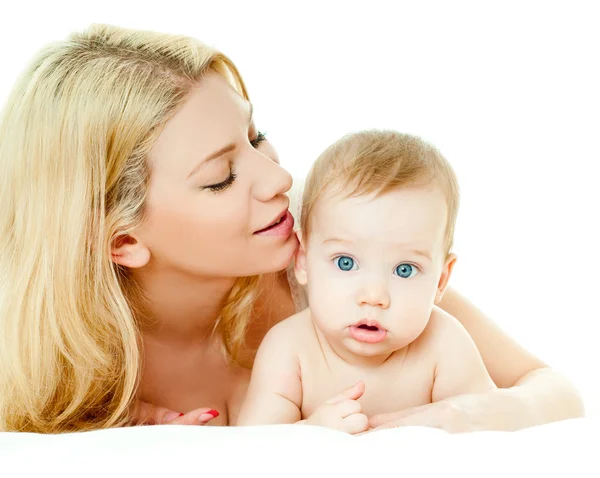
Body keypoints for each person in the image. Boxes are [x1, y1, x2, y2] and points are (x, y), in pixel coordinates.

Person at [0, 23, 584, 434]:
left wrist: (481, 415)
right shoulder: (53, 355)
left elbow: (553, 390)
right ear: (123, 241)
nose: (279, 176)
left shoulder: (343, 262)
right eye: (222, 176)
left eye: (255, 137)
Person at [236, 130, 497, 433]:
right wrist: (311, 431)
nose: (373, 296)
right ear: (303, 261)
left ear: (441, 280)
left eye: (404, 270)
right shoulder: (290, 349)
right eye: (345, 263)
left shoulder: (445, 346)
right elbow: (254, 446)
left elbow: (487, 437)